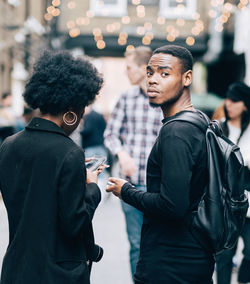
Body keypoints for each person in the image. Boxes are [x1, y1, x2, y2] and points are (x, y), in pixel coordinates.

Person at [106, 44, 215, 284]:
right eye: (150, 73)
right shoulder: (197, 119)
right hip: (191, 253)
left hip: (172, 263)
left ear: (187, 78)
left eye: (164, 74)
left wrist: (125, 191)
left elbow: (172, 205)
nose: (153, 80)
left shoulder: (177, 132)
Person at [0, 50, 104, 284]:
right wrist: (92, 188)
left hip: (16, 269)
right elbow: (74, 223)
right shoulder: (69, 152)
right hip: (57, 273)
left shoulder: (8, 145)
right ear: (72, 111)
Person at [104, 46, 162, 278]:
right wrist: (121, 154)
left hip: (159, 187)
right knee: (136, 244)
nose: (126, 72)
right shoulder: (126, 98)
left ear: (143, 68)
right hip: (130, 185)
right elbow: (110, 134)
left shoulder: (163, 98)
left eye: (129, 67)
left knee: (158, 244)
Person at [216, 82, 250, 284]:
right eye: (228, 99)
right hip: (224, 204)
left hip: (248, 203)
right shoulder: (219, 127)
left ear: (245, 104)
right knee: (224, 256)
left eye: (235, 100)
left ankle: (244, 279)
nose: (229, 104)